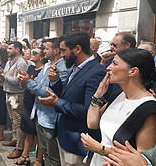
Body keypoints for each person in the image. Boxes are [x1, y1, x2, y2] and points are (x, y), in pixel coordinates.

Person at [81, 48, 156, 166]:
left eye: (114, 63)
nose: (108, 67)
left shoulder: (150, 110)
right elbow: (92, 123)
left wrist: (100, 149)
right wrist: (97, 95)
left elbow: (141, 161)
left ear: (133, 71)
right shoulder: (119, 95)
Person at [39, 31, 107, 166]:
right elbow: (69, 95)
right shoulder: (76, 67)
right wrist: (55, 82)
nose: (61, 54)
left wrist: (56, 102)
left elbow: (89, 110)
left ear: (77, 49)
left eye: (64, 50)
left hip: (78, 142)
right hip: (65, 136)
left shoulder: (97, 72)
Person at [19, 38, 69, 166]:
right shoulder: (47, 65)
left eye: (46, 49)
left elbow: (47, 91)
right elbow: (37, 84)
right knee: (45, 152)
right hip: (40, 115)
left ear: (56, 51)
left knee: (52, 156)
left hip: (49, 117)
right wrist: (28, 81)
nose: (44, 51)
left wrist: (28, 82)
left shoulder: (62, 67)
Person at [15, 48, 46, 166]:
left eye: (35, 53)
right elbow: (24, 86)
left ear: (42, 56)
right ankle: (25, 155)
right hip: (27, 101)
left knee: (38, 133)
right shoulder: (31, 68)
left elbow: (37, 90)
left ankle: (39, 159)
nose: (31, 54)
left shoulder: (44, 70)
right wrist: (21, 79)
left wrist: (29, 83)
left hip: (37, 103)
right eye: (31, 52)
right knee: (28, 130)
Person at [1, 41, 28, 159]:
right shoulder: (8, 61)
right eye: (7, 48)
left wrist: (3, 76)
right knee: (13, 120)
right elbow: (8, 75)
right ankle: (14, 139)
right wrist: (4, 75)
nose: (7, 50)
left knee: (18, 122)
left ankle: (19, 147)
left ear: (17, 50)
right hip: (9, 93)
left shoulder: (21, 63)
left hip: (17, 95)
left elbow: (17, 81)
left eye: (10, 48)